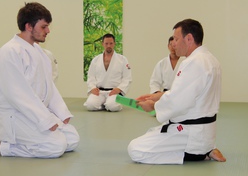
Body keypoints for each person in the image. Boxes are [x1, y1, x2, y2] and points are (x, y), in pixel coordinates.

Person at [0, 2, 80, 158]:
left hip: (34, 112)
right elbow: (19, 95)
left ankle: (20, 142)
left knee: (72, 139)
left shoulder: (37, 50)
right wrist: (45, 120)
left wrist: (61, 112)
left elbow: (49, 85)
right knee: (56, 146)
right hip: (16, 115)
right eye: (43, 27)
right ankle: (6, 146)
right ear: (29, 26)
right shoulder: (9, 52)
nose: (48, 31)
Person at [128, 19, 226, 164]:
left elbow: (178, 102)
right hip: (204, 131)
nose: (173, 43)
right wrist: (157, 96)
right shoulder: (210, 59)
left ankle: (198, 155)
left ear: (189, 38)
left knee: (135, 150)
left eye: (176, 38)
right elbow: (188, 94)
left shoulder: (194, 63)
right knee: (152, 132)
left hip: (191, 134)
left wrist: (153, 106)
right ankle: (207, 148)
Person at [84, 33, 132, 112]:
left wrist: (119, 89)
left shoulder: (122, 59)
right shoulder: (96, 60)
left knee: (112, 107)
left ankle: (110, 103)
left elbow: (127, 78)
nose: (108, 46)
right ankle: (104, 104)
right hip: (100, 91)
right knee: (90, 105)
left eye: (111, 43)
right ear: (102, 44)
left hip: (114, 92)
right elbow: (91, 76)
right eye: (106, 43)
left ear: (114, 44)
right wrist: (92, 88)